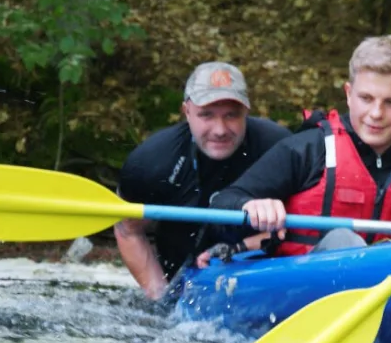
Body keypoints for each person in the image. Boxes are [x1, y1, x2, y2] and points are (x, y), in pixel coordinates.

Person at [206, 35, 391, 260]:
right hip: (299, 290)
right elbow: (222, 206)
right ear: (349, 94)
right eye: (366, 98)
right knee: (343, 240)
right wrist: (248, 206)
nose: (376, 114)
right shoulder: (308, 149)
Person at [115, 62, 290, 300]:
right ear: (186, 111)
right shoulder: (152, 162)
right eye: (206, 115)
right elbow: (128, 231)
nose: (220, 129)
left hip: (262, 279)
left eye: (231, 115)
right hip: (181, 285)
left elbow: (304, 224)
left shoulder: (280, 148)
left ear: (246, 112)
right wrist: (160, 298)